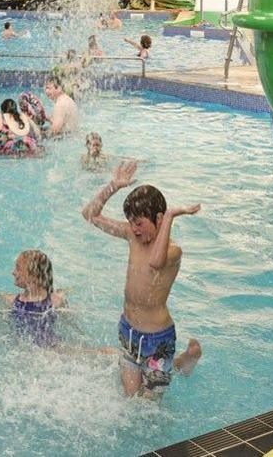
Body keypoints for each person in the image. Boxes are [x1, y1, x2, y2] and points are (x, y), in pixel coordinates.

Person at [81, 161, 203, 399]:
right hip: (128, 331)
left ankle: (182, 362)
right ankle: (179, 363)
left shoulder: (173, 251)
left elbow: (155, 262)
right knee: (129, 400)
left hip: (157, 340)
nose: (134, 229)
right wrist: (113, 186)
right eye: (131, 222)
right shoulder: (131, 235)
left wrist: (170, 216)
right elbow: (90, 215)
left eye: (140, 223)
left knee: (149, 407)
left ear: (159, 219)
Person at [0, 250, 67, 347]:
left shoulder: (56, 302)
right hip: (22, 349)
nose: (13, 272)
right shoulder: (9, 301)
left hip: (51, 348)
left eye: (18, 268)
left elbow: (68, 327)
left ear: (34, 275)